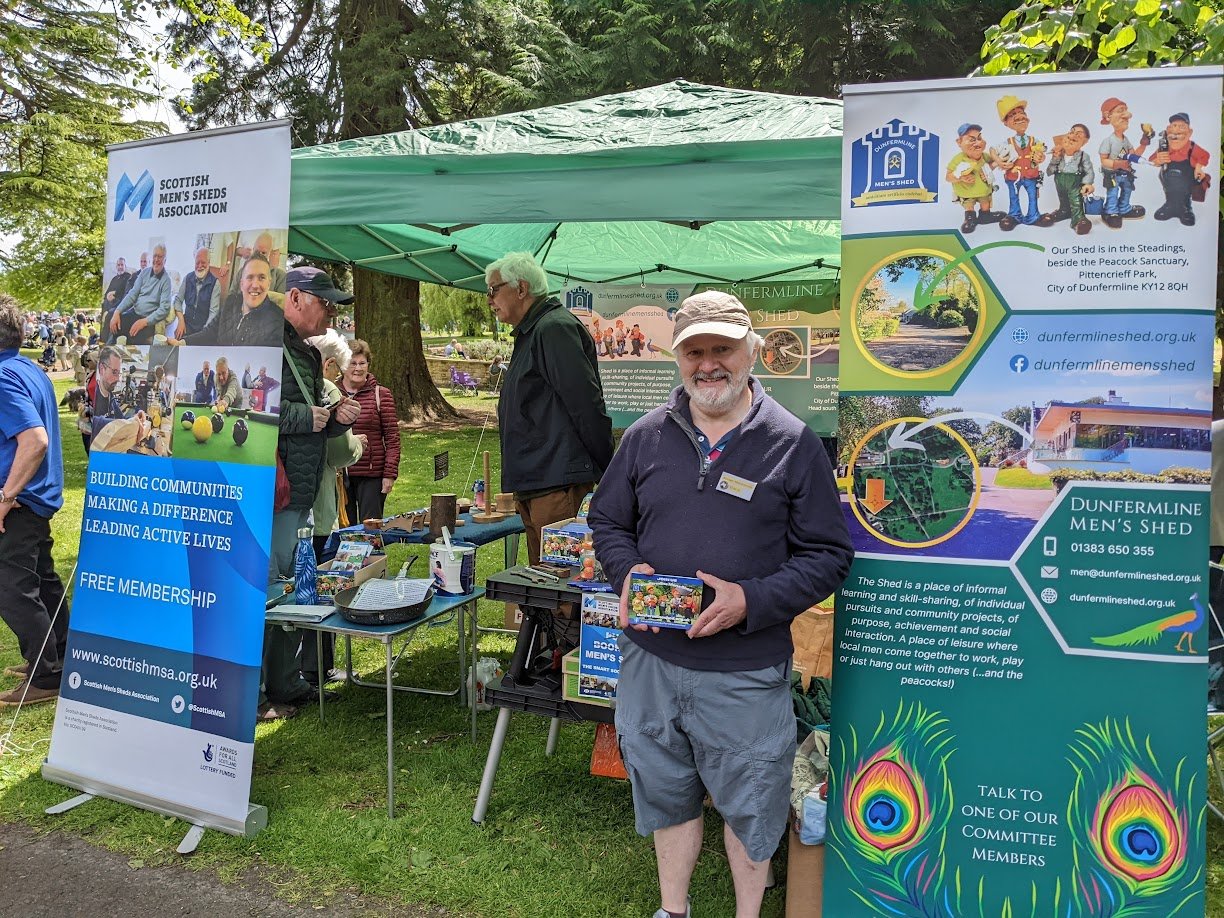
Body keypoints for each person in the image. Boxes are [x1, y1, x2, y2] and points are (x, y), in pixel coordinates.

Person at [588, 290, 854, 918]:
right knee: (666, 790)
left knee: (750, 802)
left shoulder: (793, 443)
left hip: (742, 670)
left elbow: (828, 555)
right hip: (651, 662)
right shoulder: (646, 436)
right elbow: (606, 521)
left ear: (751, 352)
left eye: (722, 349)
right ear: (678, 359)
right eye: (695, 352)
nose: (709, 364)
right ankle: (672, 909)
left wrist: (751, 600)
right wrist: (627, 572)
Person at [263, 266, 360, 720]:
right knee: (273, 584)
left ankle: (286, 682)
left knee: (287, 579)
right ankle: (269, 688)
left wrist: (337, 417)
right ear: (297, 297)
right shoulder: (266, 344)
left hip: (296, 489)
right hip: (275, 491)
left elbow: (305, 415)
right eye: (325, 303)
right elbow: (247, 406)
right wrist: (308, 418)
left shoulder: (297, 349)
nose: (331, 314)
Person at [486, 251, 613, 564]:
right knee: (543, 584)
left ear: (521, 289)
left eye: (493, 289)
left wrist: (610, 469)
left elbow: (586, 404)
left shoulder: (553, 328)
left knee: (561, 586)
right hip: (537, 480)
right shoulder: (534, 331)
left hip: (556, 481)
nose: (489, 300)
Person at [0, 295, 71, 706]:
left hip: (21, 501)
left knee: (12, 588)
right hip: (36, 499)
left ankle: (44, 677)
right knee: (42, 580)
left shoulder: (4, 376)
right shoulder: (29, 368)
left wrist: (5, 496)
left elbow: (35, 439)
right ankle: (56, 658)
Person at [305, 328, 363, 686]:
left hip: (286, 506)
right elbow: (340, 451)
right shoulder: (327, 392)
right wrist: (357, 445)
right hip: (320, 508)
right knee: (321, 586)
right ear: (328, 365)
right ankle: (317, 667)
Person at [340, 339, 400, 523]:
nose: (357, 368)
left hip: (372, 477)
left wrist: (389, 474)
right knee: (342, 531)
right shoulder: (331, 392)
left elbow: (392, 438)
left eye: (362, 363)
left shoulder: (380, 394)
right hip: (340, 474)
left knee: (370, 532)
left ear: (368, 365)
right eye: (352, 363)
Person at [183, 254, 282, 349]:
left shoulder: (277, 321)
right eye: (250, 277)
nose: (255, 285)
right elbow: (210, 332)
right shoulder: (231, 302)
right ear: (242, 284)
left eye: (262, 278)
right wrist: (183, 342)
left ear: (269, 283)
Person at [1097, 96, 1152, 229]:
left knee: (1127, 190)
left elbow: (1133, 156)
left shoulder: (1125, 140)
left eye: (1126, 111)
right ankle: (1111, 212)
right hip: (1113, 174)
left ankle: (1124, 208)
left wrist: (1144, 142)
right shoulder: (1108, 141)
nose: (1128, 115)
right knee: (1113, 192)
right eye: (1121, 110)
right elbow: (1104, 161)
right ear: (1108, 116)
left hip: (1126, 174)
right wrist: (1118, 164)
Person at [1150, 112, 1211, 227]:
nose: (1176, 133)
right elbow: (1152, 160)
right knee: (1170, 193)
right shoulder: (1165, 147)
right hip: (1168, 184)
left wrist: (1198, 167)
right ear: (1168, 131)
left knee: (1184, 195)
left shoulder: (1192, 148)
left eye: (1181, 127)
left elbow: (1205, 155)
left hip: (1186, 183)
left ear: (1189, 132)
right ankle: (1169, 205)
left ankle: (1185, 209)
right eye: (1173, 127)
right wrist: (1158, 160)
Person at [108, 244, 172, 344]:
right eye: (155, 256)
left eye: (160, 257)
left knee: (132, 337)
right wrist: (117, 311)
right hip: (134, 313)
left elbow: (165, 308)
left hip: (148, 320)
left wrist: (144, 322)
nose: (156, 259)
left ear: (165, 260)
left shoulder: (166, 281)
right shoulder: (144, 273)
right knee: (116, 327)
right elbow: (132, 294)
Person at [172, 247, 222, 339]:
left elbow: (213, 313)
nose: (199, 266)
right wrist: (181, 321)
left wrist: (203, 333)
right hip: (186, 325)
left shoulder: (215, 284)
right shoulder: (187, 278)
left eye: (203, 262)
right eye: (197, 262)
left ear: (208, 263)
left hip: (203, 329)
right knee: (176, 344)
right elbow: (178, 301)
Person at [100, 257, 133, 326]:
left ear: (125, 266)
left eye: (122, 265)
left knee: (110, 313)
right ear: (116, 266)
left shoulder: (128, 277)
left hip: (120, 303)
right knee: (104, 304)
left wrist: (114, 293)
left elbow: (126, 291)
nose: (120, 267)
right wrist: (108, 296)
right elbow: (107, 292)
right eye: (118, 265)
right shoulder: (114, 279)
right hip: (110, 303)